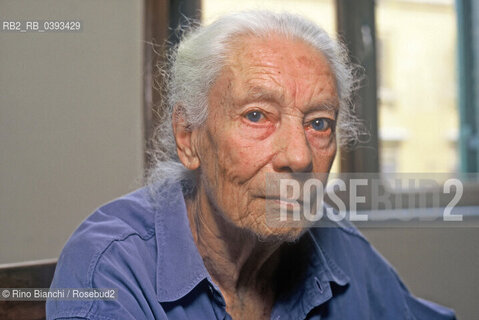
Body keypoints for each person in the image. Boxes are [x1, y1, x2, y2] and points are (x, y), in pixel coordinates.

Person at [47, 11, 456, 320]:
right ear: (188, 136)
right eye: (257, 116)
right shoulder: (110, 269)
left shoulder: (340, 250)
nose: (298, 157)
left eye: (318, 124)